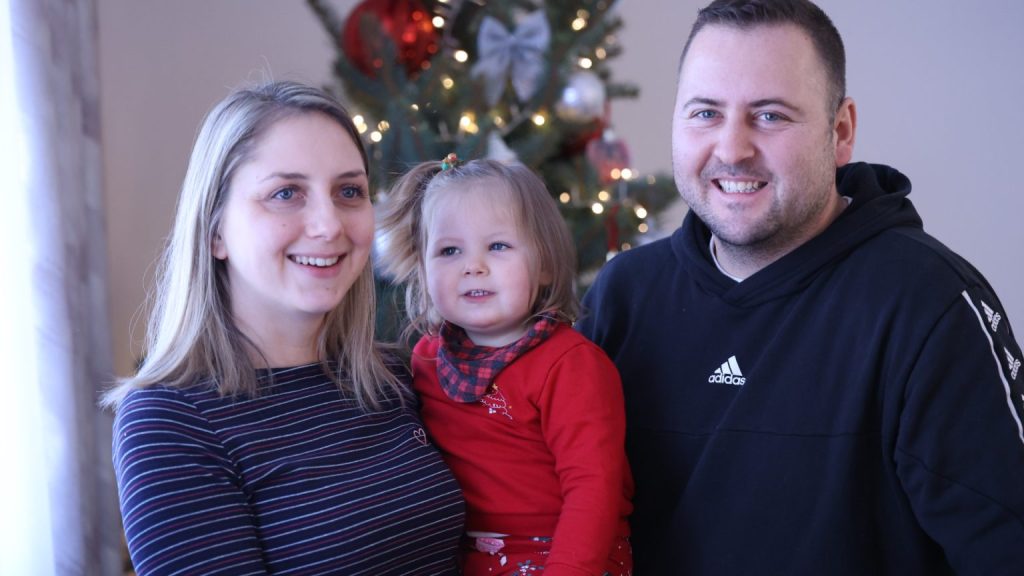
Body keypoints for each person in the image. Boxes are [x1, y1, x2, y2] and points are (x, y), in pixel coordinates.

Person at [576, 0, 1024, 574]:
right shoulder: (623, 296)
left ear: (841, 131)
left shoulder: (928, 304)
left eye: (770, 116)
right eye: (705, 113)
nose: (731, 149)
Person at [102, 81, 465, 575]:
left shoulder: (394, 377)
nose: (328, 225)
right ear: (215, 231)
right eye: (285, 193)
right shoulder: (170, 421)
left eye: (349, 192)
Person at [375, 155, 634, 575]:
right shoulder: (426, 359)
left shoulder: (571, 366)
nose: (473, 266)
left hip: (566, 552)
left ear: (544, 264)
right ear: (422, 270)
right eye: (449, 250)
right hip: (469, 556)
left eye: (497, 246)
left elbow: (593, 488)